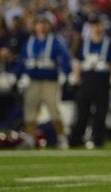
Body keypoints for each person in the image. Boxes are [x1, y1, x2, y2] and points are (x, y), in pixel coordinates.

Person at [13, 11, 72, 149]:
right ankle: (29, 139)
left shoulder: (56, 41)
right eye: (39, 23)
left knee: (54, 110)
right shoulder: (29, 42)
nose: (41, 26)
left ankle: (62, 138)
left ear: (49, 25)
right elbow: (22, 61)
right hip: (33, 80)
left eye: (44, 23)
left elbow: (64, 59)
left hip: (50, 81)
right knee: (30, 110)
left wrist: (67, 75)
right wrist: (16, 77)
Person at [69, 15, 111, 149]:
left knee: (100, 113)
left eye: (98, 25)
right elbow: (79, 63)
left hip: (102, 81)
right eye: (94, 26)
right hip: (87, 81)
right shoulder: (84, 44)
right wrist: (76, 79)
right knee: (82, 113)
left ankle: (98, 139)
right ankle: (76, 138)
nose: (97, 28)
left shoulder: (109, 44)